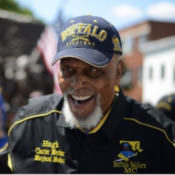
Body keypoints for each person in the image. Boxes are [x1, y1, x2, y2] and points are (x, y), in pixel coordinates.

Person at [0, 15, 175, 174]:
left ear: (118, 73)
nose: (76, 83)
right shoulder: (28, 125)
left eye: (92, 70)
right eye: (67, 70)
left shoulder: (159, 137)